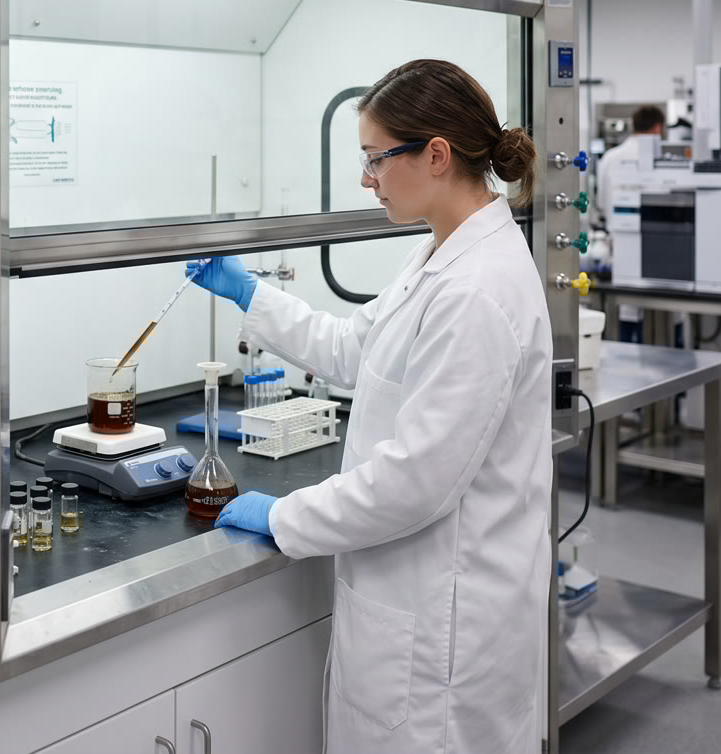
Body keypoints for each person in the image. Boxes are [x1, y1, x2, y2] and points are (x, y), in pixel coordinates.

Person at [190, 58, 551, 754]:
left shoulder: (477, 289)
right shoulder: (438, 256)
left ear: (437, 155)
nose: (366, 178)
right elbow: (357, 348)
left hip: (445, 632)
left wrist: (286, 515)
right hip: (414, 607)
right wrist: (250, 295)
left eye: (376, 158)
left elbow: (416, 482)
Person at [594, 105, 665, 342]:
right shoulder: (660, 157)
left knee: (626, 309)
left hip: (619, 244)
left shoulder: (609, 158)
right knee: (663, 318)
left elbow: (601, 203)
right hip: (659, 247)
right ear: (657, 127)